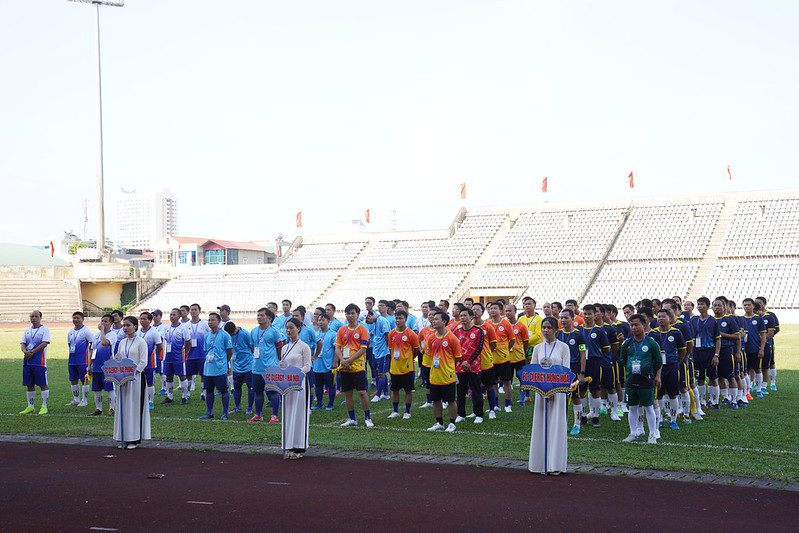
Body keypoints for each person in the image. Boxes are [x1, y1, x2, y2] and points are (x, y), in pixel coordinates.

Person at [528, 317, 570, 475]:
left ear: (556, 330)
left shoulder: (563, 347)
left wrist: (553, 389)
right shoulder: (538, 348)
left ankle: (555, 464)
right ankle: (539, 463)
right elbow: (532, 370)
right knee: (541, 425)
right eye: (543, 327)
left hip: (558, 392)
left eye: (549, 327)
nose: (546, 330)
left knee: (556, 425)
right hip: (541, 393)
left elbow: (565, 370)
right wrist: (542, 389)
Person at [620, 314, 662, 444]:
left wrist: (650, 371)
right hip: (631, 379)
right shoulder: (627, 343)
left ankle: (652, 434)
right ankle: (633, 433)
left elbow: (658, 361)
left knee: (648, 407)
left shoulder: (651, 343)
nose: (633, 328)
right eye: (631, 325)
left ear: (644, 325)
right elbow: (623, 359)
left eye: (636, 325)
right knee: (632, 407)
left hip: (646, 380)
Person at [113, 316, 151, 449]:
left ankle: (134, 439)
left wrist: (131, 374)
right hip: (123, 380)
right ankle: (123, 437)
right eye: (124, 325)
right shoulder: (122, 342)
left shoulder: (141, 342)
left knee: (134, 408)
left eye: (128, 325)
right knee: (123, 408)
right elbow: (118, 359)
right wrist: (119, 374)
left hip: (136, 380)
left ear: (135, 326)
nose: (125, 328)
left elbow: (143, 362)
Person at [335, 304, 374, 428]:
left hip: (358, 366)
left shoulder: (363, 330)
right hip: (345, 367)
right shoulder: (341, 330)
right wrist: (342, 360)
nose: (350, 316)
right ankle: (352, 418)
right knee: (347, 393)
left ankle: (368, 417)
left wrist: (349, 361)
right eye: (348, 313)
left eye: (352, 313)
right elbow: (337, 347)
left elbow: (363, 349)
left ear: (357, 314)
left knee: (362, 392)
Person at [281, 318, 313, 459]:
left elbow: (307, 366)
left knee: (299, 413)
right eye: (287, 328)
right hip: (286, 385)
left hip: (299, 384)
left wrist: (297, 374)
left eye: (291, 328)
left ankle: (299, 446)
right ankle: (288, 445)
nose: (289, 330)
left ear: (298, 329)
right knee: (288, 413)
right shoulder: (284, 348)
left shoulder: (304, 347)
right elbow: (283, 364)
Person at [649, 309, 687, 429]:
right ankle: (660, 418)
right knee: (659, 394)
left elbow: (682, 350)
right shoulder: (653, 333)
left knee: (673, 394)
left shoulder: (676, 332)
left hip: (672, 366)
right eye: (659, 317)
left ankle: (673, 420)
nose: (660, 319)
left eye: (663, 317)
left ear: (669, 319)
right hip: (657, 368)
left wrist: (676, 361)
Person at [425, 310, 462, 432]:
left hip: (447, 375)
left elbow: (458, 357)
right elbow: (429, 355)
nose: (433, 321)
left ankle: (452, 423)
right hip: (434, 375)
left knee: (451, 400)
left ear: (444, 321)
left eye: (436, 319)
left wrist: (450, 369)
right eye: (433, 319)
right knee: (436, 400)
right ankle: (439, 422)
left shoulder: (452, 338)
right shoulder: (431, 338)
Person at [250, 307, 284, 423]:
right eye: (258, 315)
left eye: (262, 315)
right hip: (256, 367)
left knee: (272, 391)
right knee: (258, 391)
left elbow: (280, 345)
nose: (259, 317)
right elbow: (252, 346)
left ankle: (275, 415)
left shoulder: (274, 331)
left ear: (269, 318)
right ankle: (258, 414)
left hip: (270, 367)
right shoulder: (254, 331)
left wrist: (278, 361)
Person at [580, 305, 613, 426]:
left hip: (595, 361)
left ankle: (595, 416)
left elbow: (606, 348)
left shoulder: (599, 330)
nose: (587, 316)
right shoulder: (578, 330)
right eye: (585, 313)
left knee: (595, 390)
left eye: (590, 314)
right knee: (581, 389)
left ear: (595, 315)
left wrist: (595, 352)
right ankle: (583, 416)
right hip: (581, 362)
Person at [200, 313, 233, 420]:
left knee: (223, 391)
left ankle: (224, 413)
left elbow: (229, 351)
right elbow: (206, 350)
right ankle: (209, 412)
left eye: (213, 320)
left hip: (220, 368)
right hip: (208, 368)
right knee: (209, 391)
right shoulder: (206, 335)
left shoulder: (225, 335)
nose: (210, 322)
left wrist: (225, 362)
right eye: (209, 320)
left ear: (218, 321)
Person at [558, 309, 587, 435]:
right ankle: (563, 423)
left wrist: (582, 373)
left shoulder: (579, 335)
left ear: (572, 319)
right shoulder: (558, 334)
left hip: (574, 368)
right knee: (561, 397)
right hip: (560, 370)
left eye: (566, 317)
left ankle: (577, 424)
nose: (563, 320)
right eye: (561, 318)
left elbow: (583, 354)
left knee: (575, 397)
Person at [387, 310, 419, 419]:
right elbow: (390, 348)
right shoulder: (391, 333)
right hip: (395, 367)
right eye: (396, 318)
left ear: (405, 319)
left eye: (400, 318)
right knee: (394, 390)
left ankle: (407, 412)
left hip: (407, 368)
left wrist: (409, 358)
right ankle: (395, 411)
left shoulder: (411, 333)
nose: (398, 320)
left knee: (408, 391)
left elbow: (416, 349)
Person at [454, 308, 484, 424]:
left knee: (476, 390)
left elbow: (479, 348)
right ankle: (461, 414)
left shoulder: (478, 331)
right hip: (460, 366)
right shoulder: (457, 332)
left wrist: (469, 362)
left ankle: (478, 414)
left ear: (471, 317)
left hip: (474, 366)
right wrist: (462, 362)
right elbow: (455, 349)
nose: (462, 318)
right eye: (461, 315)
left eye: (465, 315)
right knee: (460, 391)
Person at [690, 297, 721, 409]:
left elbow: (718, 339)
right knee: (700, 378)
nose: (700, 306)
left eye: (702, 304)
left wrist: (716, 355)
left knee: (713, 378)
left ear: (708, 306)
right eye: (698, 304)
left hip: (710, 351)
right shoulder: (693, 320)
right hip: (697, 352)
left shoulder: (713, 321)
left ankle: (714, 401)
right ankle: (702, 401)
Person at [19, 310, 51, 415]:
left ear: (40, 317)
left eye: (36, 316)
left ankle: (44, 406)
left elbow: (44, 343)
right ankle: (30, 406)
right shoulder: (27, 330)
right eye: (31, 316)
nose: (33, 318)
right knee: (29, 384)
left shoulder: (44, 329)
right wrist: (25, 351)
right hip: (27, 362)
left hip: (39, 362)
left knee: (43, 384)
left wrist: (32, 352)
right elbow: (23, 343)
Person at [472, 302, 499, 419]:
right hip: (473, 364)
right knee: (475, 388)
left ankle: (492, 409)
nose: (474, 311)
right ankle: (476, 411)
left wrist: (486, 353)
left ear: (482, 312)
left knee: (490, 386)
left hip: (486, 362)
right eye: (473, 309)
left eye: (477, 309)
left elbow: (493, 344)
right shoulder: (469, 327)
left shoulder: (488, 326)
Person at [488, 301, 515, 413]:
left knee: (506, 382)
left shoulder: (506, 323)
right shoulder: (487, 323)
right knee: (493, 382)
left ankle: (508, 404)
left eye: (495, 308)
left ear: (500, 310)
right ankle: (496, 404)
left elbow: (512, 340)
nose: (492, 310)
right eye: (491, 308)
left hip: (504, 359)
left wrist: (505, 349)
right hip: (491, 359)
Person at [224, 321, 255, 414]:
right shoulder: (228, 336)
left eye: (233, 333)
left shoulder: (245, 333)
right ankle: (237, 406)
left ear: (235, 328)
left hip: (248, 365)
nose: (232, 335)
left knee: (251, 387)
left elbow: (252, 347)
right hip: (236, 366)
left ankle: (249, 407)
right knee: (236, 387)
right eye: (230, 334)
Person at [161, 308, 190, 404]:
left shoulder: (183, 328)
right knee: (168, 376)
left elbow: (188, 342)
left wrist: (185, 353)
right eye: (171, 314)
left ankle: (185, 396)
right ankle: (169, 396)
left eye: (174, 315)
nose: (172, 316)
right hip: (168, 356)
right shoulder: (167, 328)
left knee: (182, 376)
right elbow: (165, 340)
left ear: (179, 316)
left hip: (179, 357)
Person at [90, 314, 116, 416]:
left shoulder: (112, 335)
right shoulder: (96, 335)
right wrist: (89, 365)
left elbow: (104, 343)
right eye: (102, 321)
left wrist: (101, 331)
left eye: (106, 321)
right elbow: (93, 350)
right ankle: (98, 408)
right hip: (96, 365)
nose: (103, 323)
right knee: (96, 389)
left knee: (110, 388)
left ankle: (112, 408)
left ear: (111, 323)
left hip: (108, 366)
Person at [66, 311, 93, 408]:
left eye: (78, 318)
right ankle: (76, 399)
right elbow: (69, 345)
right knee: (73, 379)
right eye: (74, 318)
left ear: (82, 319)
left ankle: (84, 400)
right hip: (72, 360)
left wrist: (90, 360)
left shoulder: (86, 331)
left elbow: (92, 345)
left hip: (83, 360)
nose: (76, 320)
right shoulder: (70, 332)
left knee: (84, 380)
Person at [183, 303, 209, 401]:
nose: (193, 311)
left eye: (195, 309)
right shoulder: (186, 325)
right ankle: (187, 393)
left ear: (199, 311)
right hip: (189, 354)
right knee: (188, 375)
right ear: (189, 311)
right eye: (192, 309)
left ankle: (203, 393)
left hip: (202, 354)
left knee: (203, 374)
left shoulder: (205, 324)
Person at [137, 311, 163, 410]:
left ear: (150, 320)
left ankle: (150, 401)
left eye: (144, 319)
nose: (142, 321)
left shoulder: (154, 332)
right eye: (141, 319)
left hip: (150, 361)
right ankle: (141, 399)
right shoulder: (137, 331)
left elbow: (159, 346)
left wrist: (154, 355)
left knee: (150, 381)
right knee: (139, 380)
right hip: (138, 360)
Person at [505, 304, 530, 406]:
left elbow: (526, 341)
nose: (508, 313)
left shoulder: (521, 326)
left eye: (510, 311)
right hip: (507, 358)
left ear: (515, 312)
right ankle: (508, 400)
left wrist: (522, 351)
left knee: (522, 378)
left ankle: (523, 398)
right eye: (506, 311)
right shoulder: (504, 325)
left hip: (519, 357)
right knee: (508, 380)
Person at [312, 313, 337, 410]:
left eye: (323, 320)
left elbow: (336, 349)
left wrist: (335, 362)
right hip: (317, 365)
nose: (321, 322)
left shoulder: (333, 334)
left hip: (328, 365)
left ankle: (330, 404)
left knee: (330, 385)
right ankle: (319, 403)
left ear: (328, 321)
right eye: (319, 320)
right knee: (318, 386)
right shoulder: (315, 333)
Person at [366, 310, 391, 402]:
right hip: (377, 351)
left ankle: (378, 395)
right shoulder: (376, 322)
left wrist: (388, 348)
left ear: (370, 315)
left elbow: (387, 335)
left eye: (368, 320)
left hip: (383, 351)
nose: (369, 323)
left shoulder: (382, 321)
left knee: (381, 373)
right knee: (379, 372)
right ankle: (385, 394)